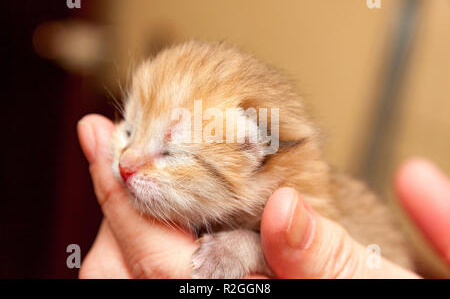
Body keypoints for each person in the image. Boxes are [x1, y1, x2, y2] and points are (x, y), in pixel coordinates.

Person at [77, 114, 450, 278]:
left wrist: (247, 247)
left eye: (174, 152)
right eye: (130, 127)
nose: (127, 162)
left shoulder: (301, 203)